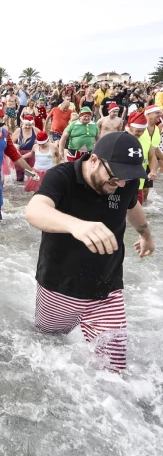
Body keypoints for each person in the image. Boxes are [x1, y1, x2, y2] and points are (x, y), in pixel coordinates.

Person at [24, 132, 153, 372]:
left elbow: (131, 206)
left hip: (107, 288)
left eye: (127, 178)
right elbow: (34, 210)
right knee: (48, 349)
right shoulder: (61, 177)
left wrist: (145, 235)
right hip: (58, 286)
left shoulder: (125, 180)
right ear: (94, 160)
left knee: (113, 369)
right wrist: (76, 225)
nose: (121, 184)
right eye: (114, 178)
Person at [136, 106, 161, 204]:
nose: (160, 115)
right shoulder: (139, 128)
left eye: (160, 112)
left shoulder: (156, 130)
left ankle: (143, 208)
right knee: (135, 190)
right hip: (135, 164)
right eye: (157, 113)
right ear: (148, 114)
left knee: (145, 190)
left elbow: (154, 150)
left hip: (149, 163)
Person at [12, 115, 38, 182]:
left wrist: (37, 144)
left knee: (31, 172)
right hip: (20, 154)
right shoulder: (18, 131)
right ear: (22, 124)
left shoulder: (35, 130)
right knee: (20, 177)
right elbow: (11, 142)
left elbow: (43, 140)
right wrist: (15, 145)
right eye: (26, 125)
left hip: (31, 154)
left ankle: (30, 182)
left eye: (29, 125)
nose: (27, 127)